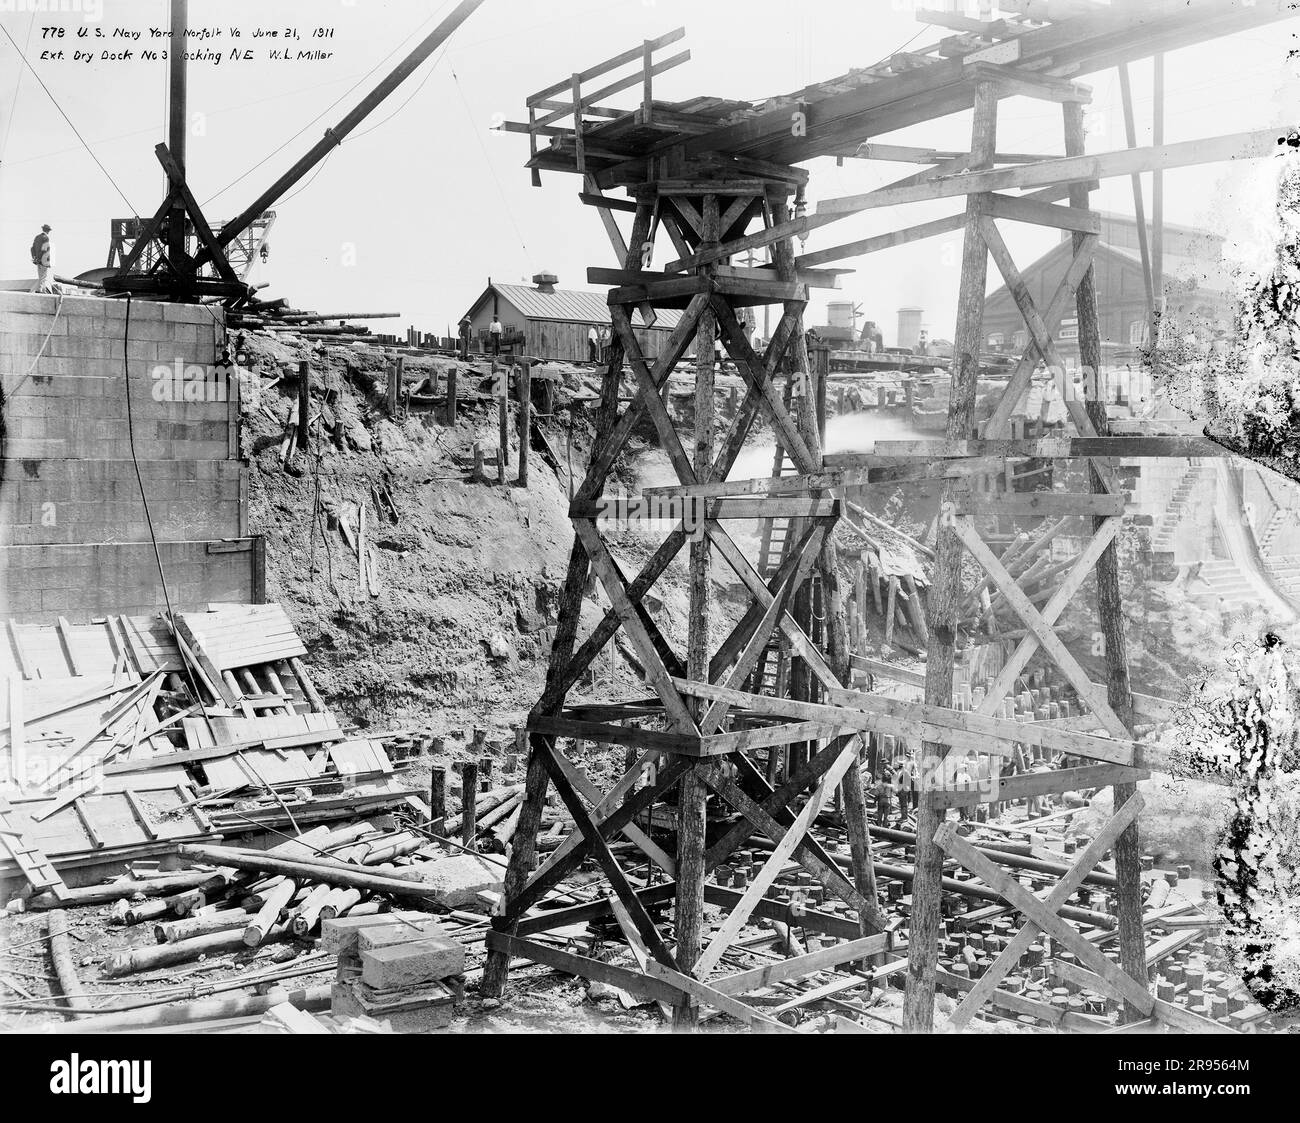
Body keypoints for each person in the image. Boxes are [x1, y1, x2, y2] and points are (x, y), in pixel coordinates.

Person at [31, 224, 54, 294]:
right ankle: (41, 290)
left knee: (41, 276)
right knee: (43, 276)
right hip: (43, 259)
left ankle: (43, 290)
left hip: (37, 260)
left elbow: (32, 248)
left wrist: (35, 257)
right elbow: (44, 250)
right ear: (48, 231)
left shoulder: (37, 237)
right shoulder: (46, 238)